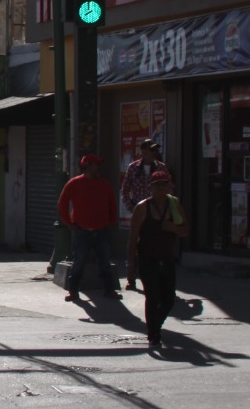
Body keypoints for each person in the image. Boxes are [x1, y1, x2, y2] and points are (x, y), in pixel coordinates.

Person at [126, 171, 188, 348]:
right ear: (150, 188)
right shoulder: (142, 208)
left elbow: (185, 230)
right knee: (152, 296)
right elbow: (133, 238)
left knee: (169, 298)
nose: (161, 188)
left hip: (167, 258)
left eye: (164, 184)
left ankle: (155, 325)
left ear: (169, 187)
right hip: (147, 258)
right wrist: (130, 265)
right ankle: (154, 334)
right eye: (157, 185)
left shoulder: (174, 205)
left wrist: (173, 228)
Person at [57, 154, 122, 303]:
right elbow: (62, 203)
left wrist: (111, 222)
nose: (98, 167)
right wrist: (69, 223)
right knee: (79, 261)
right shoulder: (74, 183)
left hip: (101, 229)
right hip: (82, 230)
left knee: (104, 261)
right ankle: (73, 291)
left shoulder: (103, 184)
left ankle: (109, 290)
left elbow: (112, 203)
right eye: (95, 164)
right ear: (87, 166)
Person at [120, 139, 167, 289]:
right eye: (150, 150)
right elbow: (125, 190)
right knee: (134, 242)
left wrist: (164, 207)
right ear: (143, 151)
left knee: (156, 242)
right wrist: (131, 207)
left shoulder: (161, 168)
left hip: (156, 211)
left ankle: (156, 274)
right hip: (139, 210)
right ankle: (131, 276)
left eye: (155, 150)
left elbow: (170, 187)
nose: (153, 153)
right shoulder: (133, 168)